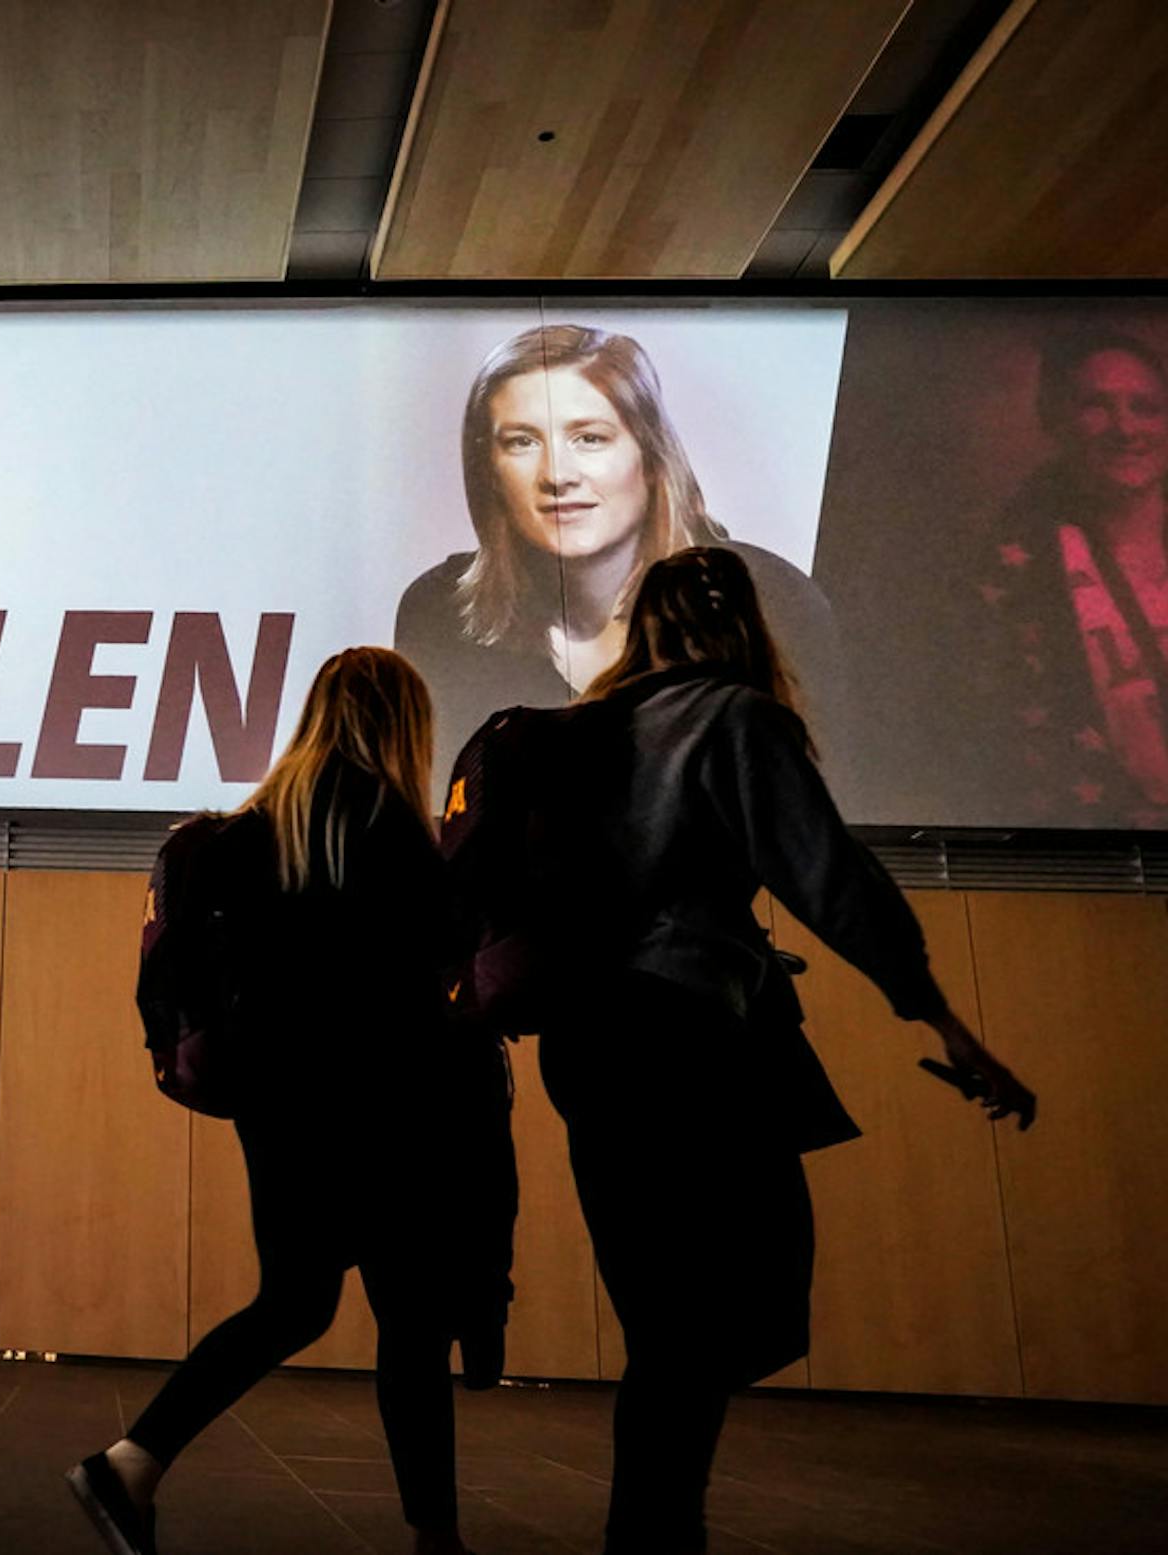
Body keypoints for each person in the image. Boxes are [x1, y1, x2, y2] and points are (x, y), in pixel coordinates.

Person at [441, 547, 1035, 1555]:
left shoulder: (579, 729)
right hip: (686, 1044)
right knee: (738, 1308)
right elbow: (831, 879)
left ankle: (652, 1532)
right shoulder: (734, 718)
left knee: (668, 1328)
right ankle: (658, 1535)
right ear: (746, 627)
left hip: (585, 1051)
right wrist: (943, 1019)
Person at [67, 647, 517, 1555]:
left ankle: (131, 1462)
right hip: (393, 1109)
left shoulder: (241, 836)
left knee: (296, 1298)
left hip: (279, 1110)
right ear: (403, 726)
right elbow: (444, 975)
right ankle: (437, 1537)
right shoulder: (393, 828)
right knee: (412, 1324)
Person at [396, 323, 843, 798]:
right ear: (488, 469)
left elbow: (819, 805)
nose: (557, 475)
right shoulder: (439, 610)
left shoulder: (771, 598)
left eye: (589, 438)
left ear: (650, 457)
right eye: (522, 441)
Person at [968, 330, 1168, 825]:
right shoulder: (1013, 576)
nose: (1125, 429)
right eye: (1097, 406)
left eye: (1144, 407)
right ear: (1055, 420)